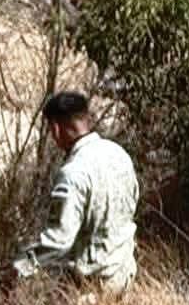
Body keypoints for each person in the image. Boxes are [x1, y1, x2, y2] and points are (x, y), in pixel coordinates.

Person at [11, 91, 139, 294]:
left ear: (55, 128)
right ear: (86, 118)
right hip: (125, 276)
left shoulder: (72, 173)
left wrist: (19, 267)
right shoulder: (119, 154)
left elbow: (58, 241)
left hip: (91, 288)